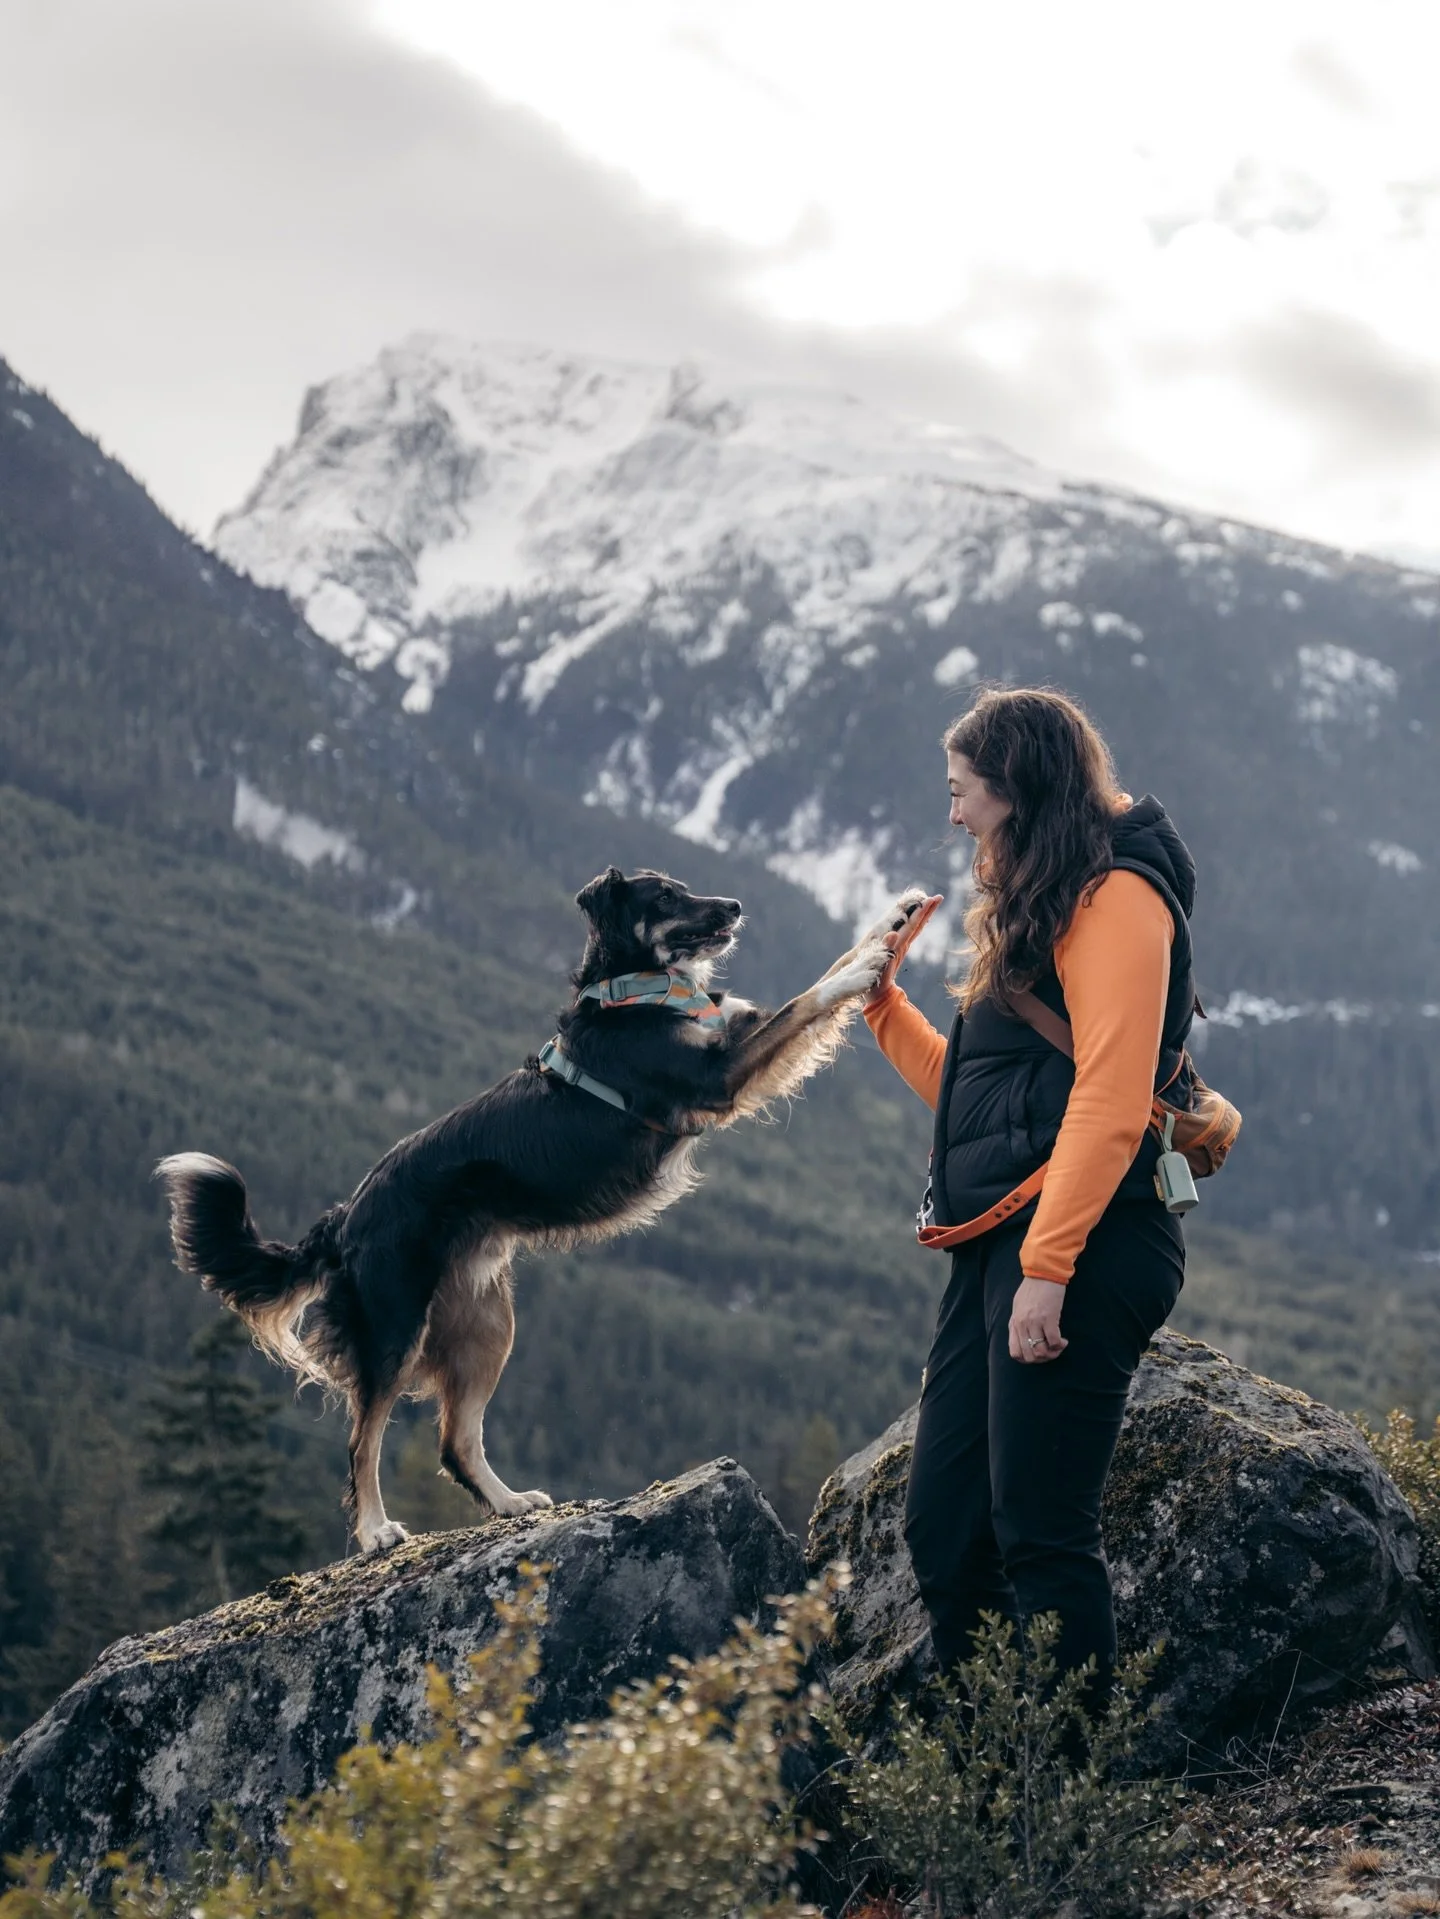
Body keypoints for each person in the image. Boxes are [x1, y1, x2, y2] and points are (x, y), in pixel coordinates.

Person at [855, 686, 1197, 1698]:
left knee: (1041, 1532)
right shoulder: (1043, 904)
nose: (953, 813)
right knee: (947, 1523)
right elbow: (982, 1105)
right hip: (1000, 1238)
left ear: (1019, 786)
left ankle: (1071, 1816)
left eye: (963, 791)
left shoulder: (1117, 898)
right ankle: (996, 1781)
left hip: (1088, 1242)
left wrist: (1048, 1269)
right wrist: (880, 1005)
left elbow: (1111, 1094)